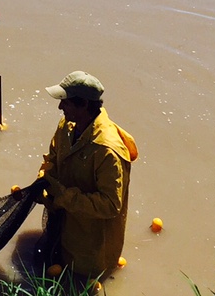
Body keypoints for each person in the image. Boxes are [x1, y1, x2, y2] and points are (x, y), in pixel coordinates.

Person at [34, 71, 138, 283]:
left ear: (83, 105)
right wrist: (43, 180)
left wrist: (63, 196)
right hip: (64, 224)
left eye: (65, 103)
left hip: (91, 246)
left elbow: (110, 204)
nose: (60, 107)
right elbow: (52, 157)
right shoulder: (68, 125)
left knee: (79, 282)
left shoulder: (107, 150)